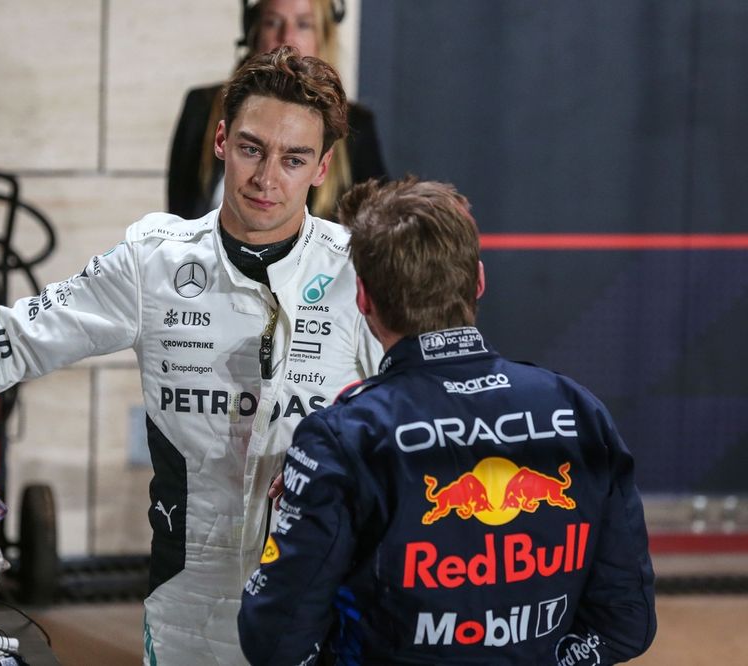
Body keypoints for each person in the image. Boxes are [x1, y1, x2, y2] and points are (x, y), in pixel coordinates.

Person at [0, 47, 382, 666]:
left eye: (293, 159)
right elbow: (14, 338)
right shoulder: (156, 261)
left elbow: (419, 415)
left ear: (322, 167)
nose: (267, 179)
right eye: (252, 149)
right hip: (188, 608)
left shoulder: (357, 271)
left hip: (320, 605)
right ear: (221, 140)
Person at [238, 177, 656, 664]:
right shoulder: (580, 411)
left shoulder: (342, 437)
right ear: (478, 280)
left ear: (364, 300)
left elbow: (275, 640)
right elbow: (627, 624)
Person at [168, 0, 386, 221]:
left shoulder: (357, 125)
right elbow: (180, 212)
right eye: (272, 22)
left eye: (303, 24)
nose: (286, 36)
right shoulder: (202, 107)